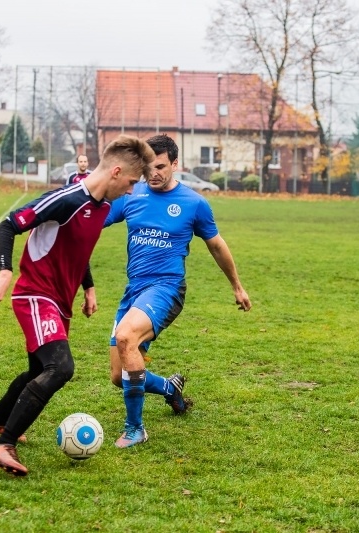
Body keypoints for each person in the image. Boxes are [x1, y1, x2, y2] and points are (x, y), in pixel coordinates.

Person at [0, 135, 154, 476]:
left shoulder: (101, 208)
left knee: (38, 371)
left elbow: (76, 248)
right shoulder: (67, 199)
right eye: (132, 182)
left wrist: (88, 287)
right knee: (60, 368)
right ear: (116, 172)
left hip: (60, 302)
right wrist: (4, 273)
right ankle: (4, 444)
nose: (132, 190)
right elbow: (9, 224)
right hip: (35, 294)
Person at [104, 134, 252, 449]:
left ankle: (135, 429)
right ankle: (169, 388)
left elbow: (216, 245)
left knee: (127, 337)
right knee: (119, 375)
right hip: (134, 290)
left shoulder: (194, 203)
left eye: (160, 166)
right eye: (147, 167)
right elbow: (94, 218)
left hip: (166, 288)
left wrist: (237, 286)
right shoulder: (132, 194)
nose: (153, 173)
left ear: (175, 164)